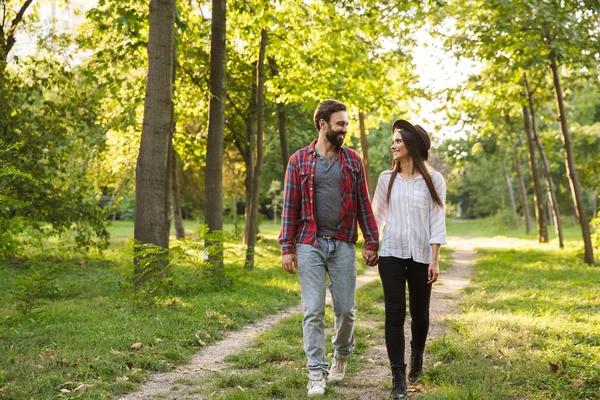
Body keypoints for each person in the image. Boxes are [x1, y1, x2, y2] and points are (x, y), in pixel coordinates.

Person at [279, 100, 379, 397]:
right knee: (312, 310)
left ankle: (342, 354)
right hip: (309, 243)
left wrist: (371, 240)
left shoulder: (352, 160)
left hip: (344, 244)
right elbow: (289, 207)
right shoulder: (299, 160)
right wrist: (287, 246)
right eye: (340, 124)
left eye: (346, 124)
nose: (345, 129)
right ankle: (316, 372)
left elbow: (364, 202)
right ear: (323, 124)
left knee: (345, 311)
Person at [371, 119, 447, 399]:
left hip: (421, 256)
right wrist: (370, 244)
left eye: (398, 141)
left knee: (420, 313)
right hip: (390, 253)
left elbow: (437, 219)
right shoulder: (385, 179)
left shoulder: (434, 180)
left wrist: (435, 259)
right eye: (394, 141)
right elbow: (376, 216)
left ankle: (417, 358)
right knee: (394, 314)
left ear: (411, 145)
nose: (393, 145)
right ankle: (398, 377)